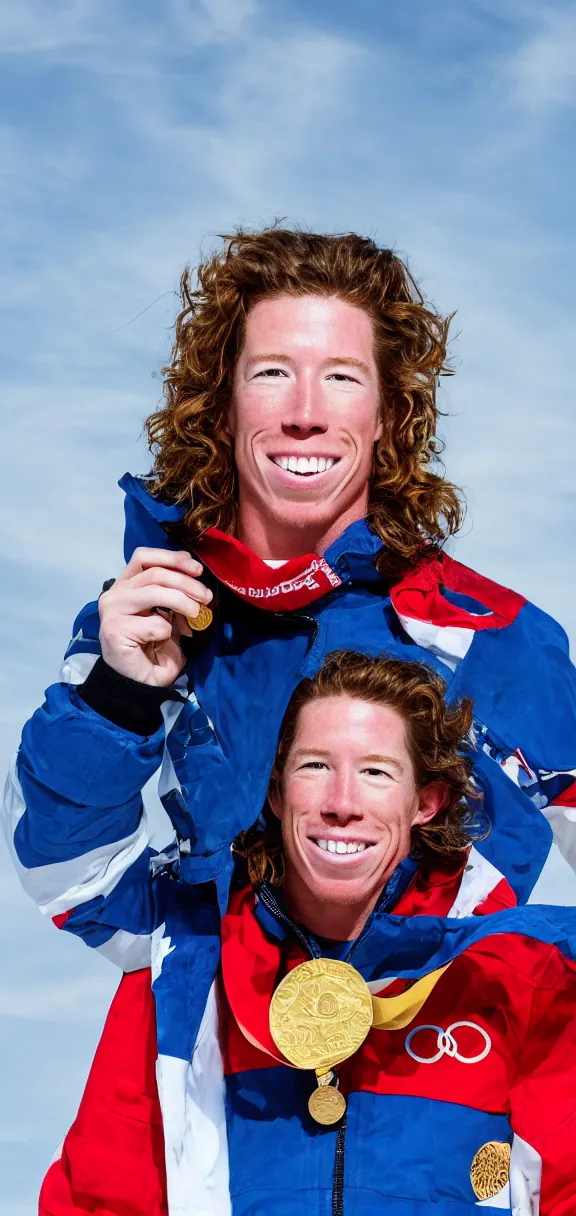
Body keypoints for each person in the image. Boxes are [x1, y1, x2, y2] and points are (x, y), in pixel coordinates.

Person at [4, 228, 576, 963]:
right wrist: (116, 697)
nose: (305, 410)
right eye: (272, 372)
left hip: (451, 1066)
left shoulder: (493, 638)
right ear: (223, 402)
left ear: (387, 415)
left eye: (342, 376)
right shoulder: (147, 620)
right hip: (215, 1069)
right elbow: (75, 888)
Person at [38, 652, 576, 1215]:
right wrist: (120, 689)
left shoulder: (515, 979)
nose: (342, 803)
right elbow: (102, 1195)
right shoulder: (188, 973)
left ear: (425, 802)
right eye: (315, 766)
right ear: (275, 793)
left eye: (375, 772)